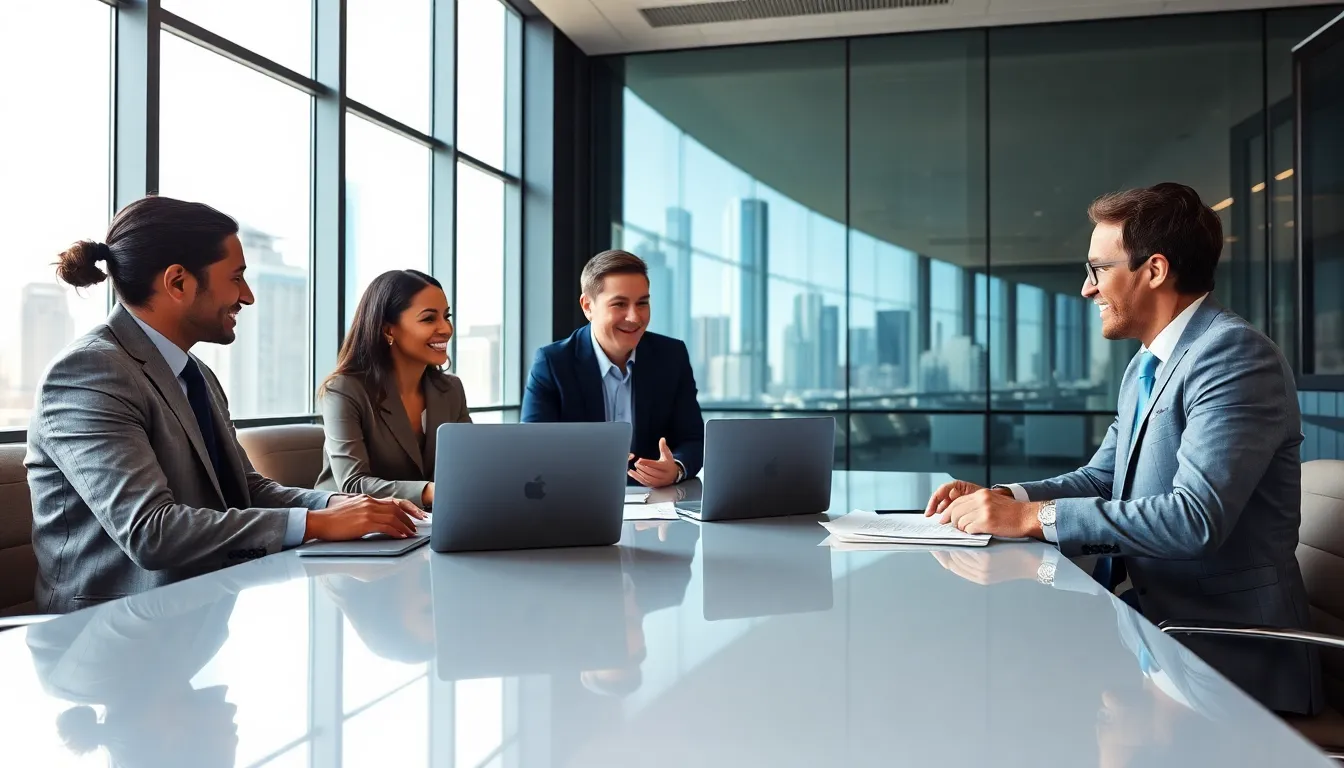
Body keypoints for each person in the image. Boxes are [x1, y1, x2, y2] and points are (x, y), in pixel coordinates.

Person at [922, 182, 1321, 716]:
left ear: (1153, 270)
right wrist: (1003, 498)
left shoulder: (1233, 356)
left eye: (1097, 269)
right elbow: (1102, 478)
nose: (1087, 289)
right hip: (1155, 634)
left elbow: (1194, 519)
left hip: (1227, 658)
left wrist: (1033, 516)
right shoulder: (1144, 366)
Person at [26, 195, 424, 614]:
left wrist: (341, 506)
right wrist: (316, 524)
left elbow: (245, 488)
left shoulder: (194, 372)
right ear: (178, 282)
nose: (248, 297)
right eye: (236, 278)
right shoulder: (88, 372)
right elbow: (150, 531)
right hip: (106, 633)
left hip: (198, 609)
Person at [521, 249, 704, 488]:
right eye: (619, 304)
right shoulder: (553, 362)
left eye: (642, 303)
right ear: (588, 306)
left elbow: (694, 440)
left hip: (658, 506)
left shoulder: (671, 356)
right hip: (578, 501)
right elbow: (532, 450)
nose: (634, 317)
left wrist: (676, 469)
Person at [315, 269, 470, 508]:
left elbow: (467, 466)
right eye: (429, 318)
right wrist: (429, 491)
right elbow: (353, 483)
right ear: (388, 329)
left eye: (446, 316)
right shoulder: (344, 390)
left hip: (426, 524)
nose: (446, 329)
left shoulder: (450, 389)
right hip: (350, 529)